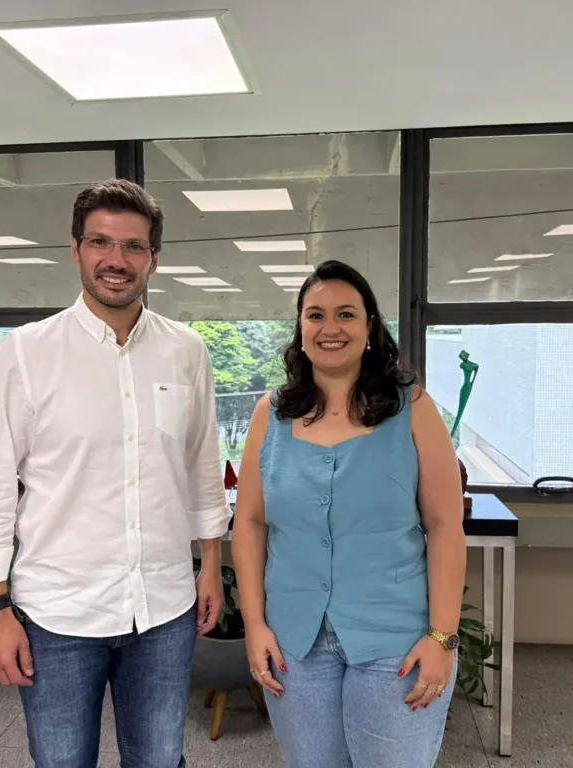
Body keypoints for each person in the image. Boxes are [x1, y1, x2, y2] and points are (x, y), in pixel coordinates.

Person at [0, 179, 230, 768]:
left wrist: (211, 565)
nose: (117, 260)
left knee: (159, 761)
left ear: (154, 258)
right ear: (76, 249)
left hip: (163, 607)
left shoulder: (187, 350)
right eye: (101, 243)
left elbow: (201, 465)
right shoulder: (26, 354)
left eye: (134, 247)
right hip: (57, 612)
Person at [231, 260, 467, 768]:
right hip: (294, 643)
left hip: (397, 640)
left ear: (369, 327)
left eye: (346, 314)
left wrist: (443, 636)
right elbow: (249, 522)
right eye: (315, 315)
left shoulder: (413, 408)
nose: (330, 327)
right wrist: (255, 625)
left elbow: (446, 526)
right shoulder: (270, 415)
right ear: (300, 328)